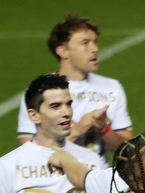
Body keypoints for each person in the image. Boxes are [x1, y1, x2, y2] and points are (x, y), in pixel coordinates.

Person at [17, 14, 134, 162]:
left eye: (95, 42)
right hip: (56, 175)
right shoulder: (39, 90)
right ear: (63, 51)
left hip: (97, 175)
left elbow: (127, 151)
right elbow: (29, 153)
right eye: (85, 43)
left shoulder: (111, 88)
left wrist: (104, 128)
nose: (95, 49)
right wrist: (78, 130)